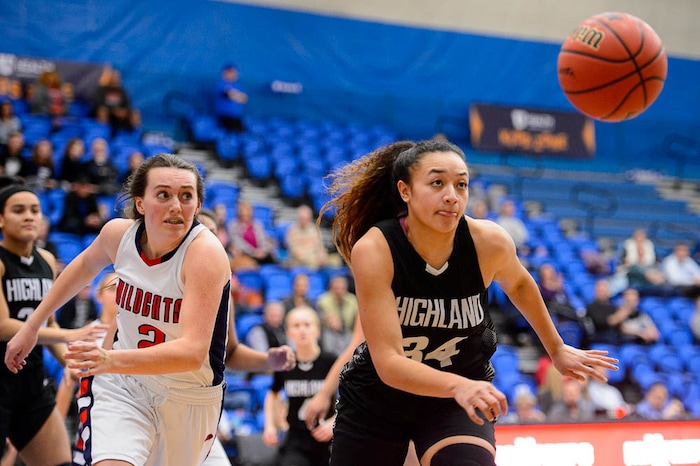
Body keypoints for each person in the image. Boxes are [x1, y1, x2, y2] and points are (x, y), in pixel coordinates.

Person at [315, 140, 616, 466]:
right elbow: (388, 363)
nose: (451, 195)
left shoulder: (489, 242)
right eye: (437, 183)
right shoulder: (376, 249)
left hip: (454, 394)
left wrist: (556, 348)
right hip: (378, 397)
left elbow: (519, 283)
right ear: (405, 191)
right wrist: (460, 387)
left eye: (461, 184)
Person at [5, 153, 235, 465]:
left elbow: (193, 352)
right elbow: (83, 267)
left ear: (197, 204)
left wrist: (108, 358)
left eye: (186, 196)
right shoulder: (119, 235)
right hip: (124, 384)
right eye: (163, 195)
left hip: (188, 396)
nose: (176, 206)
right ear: (140, 203)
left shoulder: (205, 254)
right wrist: (32, 327)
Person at [0, 181, 107, 466]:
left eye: (35, 210)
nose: (29, 216)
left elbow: (50, 325)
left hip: (31, 383)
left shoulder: (46, 260)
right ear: (1, 218)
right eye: (18, 210)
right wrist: (76, 333)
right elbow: (2, 326)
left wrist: (69, 363)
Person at [262, 306, 335, 466]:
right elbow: (273, 394)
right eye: (296, 326)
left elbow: (351, 398)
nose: (302, 330)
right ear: (288, 332)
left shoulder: (331, 361)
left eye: (307, 325)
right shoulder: (286, 364)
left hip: (329, 438)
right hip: (296, 439)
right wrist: (269, 426)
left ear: (317, 330)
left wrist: (335, 422)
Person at [228, 200, 277, 271]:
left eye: (247, 210)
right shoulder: (233, 225)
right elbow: (237, 241)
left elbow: (263, 238)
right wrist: (253, 252)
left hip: (261, 253)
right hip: (246, 253)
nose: (245, 213)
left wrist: (262, 250)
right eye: (242, 210)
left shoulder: (257, 224)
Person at [315, 275, 357, 357]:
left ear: (346, 288)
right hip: (329, 331)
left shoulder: (353, 301)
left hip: (348, 331)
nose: (339, 291)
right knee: (328, 337)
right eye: (336, 288)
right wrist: (332, 322)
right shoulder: (323, 301)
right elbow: (321, 321)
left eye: (342, 288)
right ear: (331, 288)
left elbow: (355, 322)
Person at [284, 204, 329, 270]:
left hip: (316, 263)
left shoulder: (314, 230)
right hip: (299, 264)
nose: (303, 221)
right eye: (301, 218)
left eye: (305, 218)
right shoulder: (291, 231)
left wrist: (322, 257)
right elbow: (296, 253)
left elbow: (320, 248)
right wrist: (314, 260)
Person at [214, 64, 248, 133]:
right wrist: (236, 95)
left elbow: (244, 99)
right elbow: (228, 94)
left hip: (237, 116)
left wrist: (234, 95)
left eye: (234, 72)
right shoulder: (221, 83)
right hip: (224, 116)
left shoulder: (238, 85)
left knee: (242, 132)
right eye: (230, 72)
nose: (232, 74)